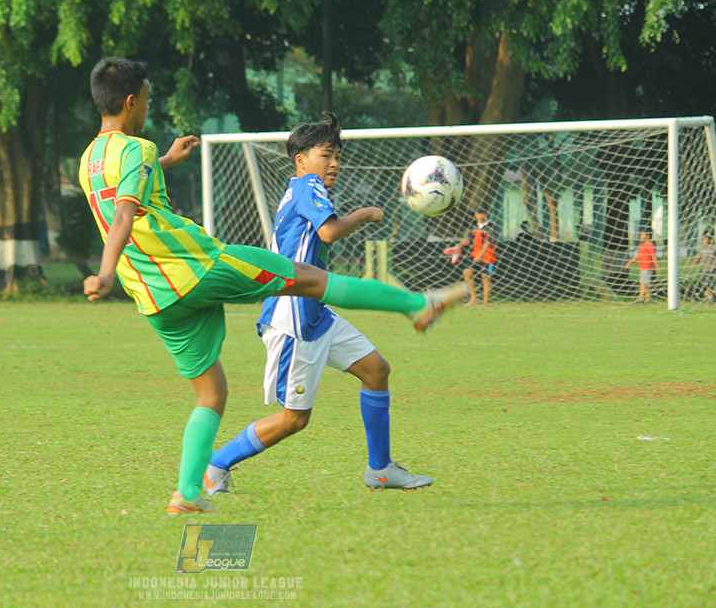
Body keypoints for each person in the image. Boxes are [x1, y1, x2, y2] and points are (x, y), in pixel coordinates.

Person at [79, 57, 467, 515]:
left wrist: (164, 163)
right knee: (310, 280)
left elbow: (124, 194)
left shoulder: (89, 160)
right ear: (130, 101)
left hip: (153, 295)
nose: (149, 106)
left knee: (212, 394)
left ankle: (187, 493)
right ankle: (415, 305)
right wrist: (104, 271)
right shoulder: (137, 148)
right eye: (147, 98)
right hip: (195, 266)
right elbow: (125, 212)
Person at [203, 113, 434, 498]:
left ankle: (380, 469)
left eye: (338, 156)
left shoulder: (302, 189)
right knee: (294, 420)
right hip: (293, 319)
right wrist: (365, 214)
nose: (335, 163)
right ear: (301, 160)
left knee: (376, 370)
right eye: (326, 155)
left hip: (316, 314)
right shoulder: (307, 185)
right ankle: (215, 464)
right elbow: (329, 231)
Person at [454, 207, 497, 306]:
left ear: (486, 214)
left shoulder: (490, 227)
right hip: (475, 254)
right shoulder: (474, 226)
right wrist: (459, 245)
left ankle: (485, 302)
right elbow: (469, 240)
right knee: (467, 273)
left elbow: (488, 242)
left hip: (487, 256)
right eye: (477, 214)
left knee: (485, 277)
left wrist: (481, 255)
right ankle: (474, 298)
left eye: (482, 213)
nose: (480, 216)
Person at [624, 230, 659, 303]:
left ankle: (640, 297)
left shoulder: (651, 245)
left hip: (648, 266)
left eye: (642, 235)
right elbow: (639, 255)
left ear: (648, 236)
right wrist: (630, 262)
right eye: (640, 235)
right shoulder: (642, 245)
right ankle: (647, 298)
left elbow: (653, 256)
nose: (641, 236)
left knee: (642, 282)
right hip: (642, 266)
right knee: (646, 283)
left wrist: (657, 267)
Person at [689, 232, 714, 303]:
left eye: (704, 239)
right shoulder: (702, 248)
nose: (703, 241)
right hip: (704, 269)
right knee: (704, 284)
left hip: (711, 269)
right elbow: (699, 256)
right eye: (702, 240)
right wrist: (693, 263)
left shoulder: (714, 247)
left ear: (709, 239)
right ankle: (711, 297)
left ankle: (710, 298)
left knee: (707, 284)